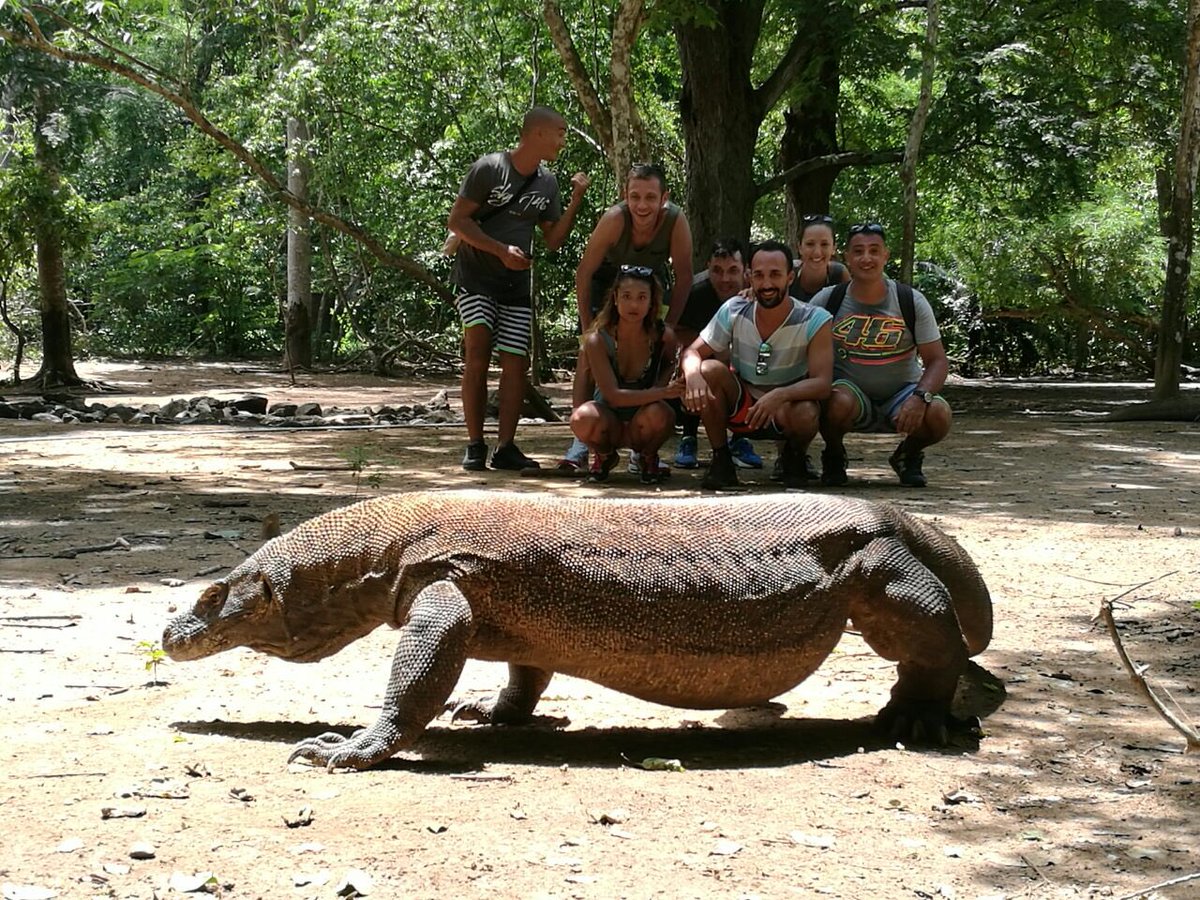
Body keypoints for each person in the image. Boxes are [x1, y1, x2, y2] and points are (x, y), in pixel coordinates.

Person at [447, 106, 590, 472]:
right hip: (476, 277)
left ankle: (505, 447)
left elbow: (553, 239)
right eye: (560, 132)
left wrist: (575, 200)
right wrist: (499, 250)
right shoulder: (489, 169)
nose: (563, 140)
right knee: (478, 350)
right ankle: (475, 445)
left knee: (516, 363)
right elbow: (458, 221)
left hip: (515, 286)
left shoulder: (548, 183)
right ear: (537, 133)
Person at [556, 163, 693, 474]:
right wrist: (587, 329)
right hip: (608, 283)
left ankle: (643, 444)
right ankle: (581, 443)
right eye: (635, 197)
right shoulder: (614, 220)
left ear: (664, 198)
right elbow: (584, 272)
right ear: (624, 196)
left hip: (650, 286)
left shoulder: (675, 221)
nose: (642, 205)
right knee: (588, 353)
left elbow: (684, 276)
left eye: (650, 197)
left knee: (654, 350)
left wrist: (669, 324)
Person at [681, 239, 833, 491]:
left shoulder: (815, 319)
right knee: (708, 370)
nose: (766, 283)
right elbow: (692, 351)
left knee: (806, 411)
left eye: (775, 275)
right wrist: (692, 374)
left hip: (787, 408)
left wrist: (780, 395)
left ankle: (793, 458)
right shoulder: (734, 309)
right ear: (749, 277)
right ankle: (721, 460)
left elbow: (823, 383)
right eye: (759, 275)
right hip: (743, 406)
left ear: (790, 277)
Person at [810, 223, 952, 488]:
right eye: (858, 251)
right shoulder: (827, 301)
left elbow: (937, 360)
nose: (866, 258)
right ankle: (834, 454)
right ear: (846, 257)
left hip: (902, 393)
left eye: (874, 251)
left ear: (886, 255)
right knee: (834, 400)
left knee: (939, 414)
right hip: (849, 394)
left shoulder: (910, 300)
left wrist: (920, 397)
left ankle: (907, 455)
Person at [570, 266, 683, 484]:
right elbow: (612, 396)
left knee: (662, 414)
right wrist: (661, 392)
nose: (633, 305)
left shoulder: (663, 336)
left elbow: (671, 363)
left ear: (651, 302)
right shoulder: (597, 340)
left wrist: (667, 384)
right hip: (608, 419)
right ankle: (604, 455)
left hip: (643, 420)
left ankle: (647, 456)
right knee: (581, 418)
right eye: (626, 296)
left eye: (642, 297)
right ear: (615, 298)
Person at [672, 237, 761, 470]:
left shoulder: (758, 293)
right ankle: (689, 436)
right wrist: (711, 348)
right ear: (708, 269)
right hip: (702, 352)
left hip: (746, 359)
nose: (725, 279)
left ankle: (740, 439)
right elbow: (675, 331)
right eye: (717, 271)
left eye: (733, 271)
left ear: (745, 271)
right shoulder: (693, 293)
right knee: (693, 367)